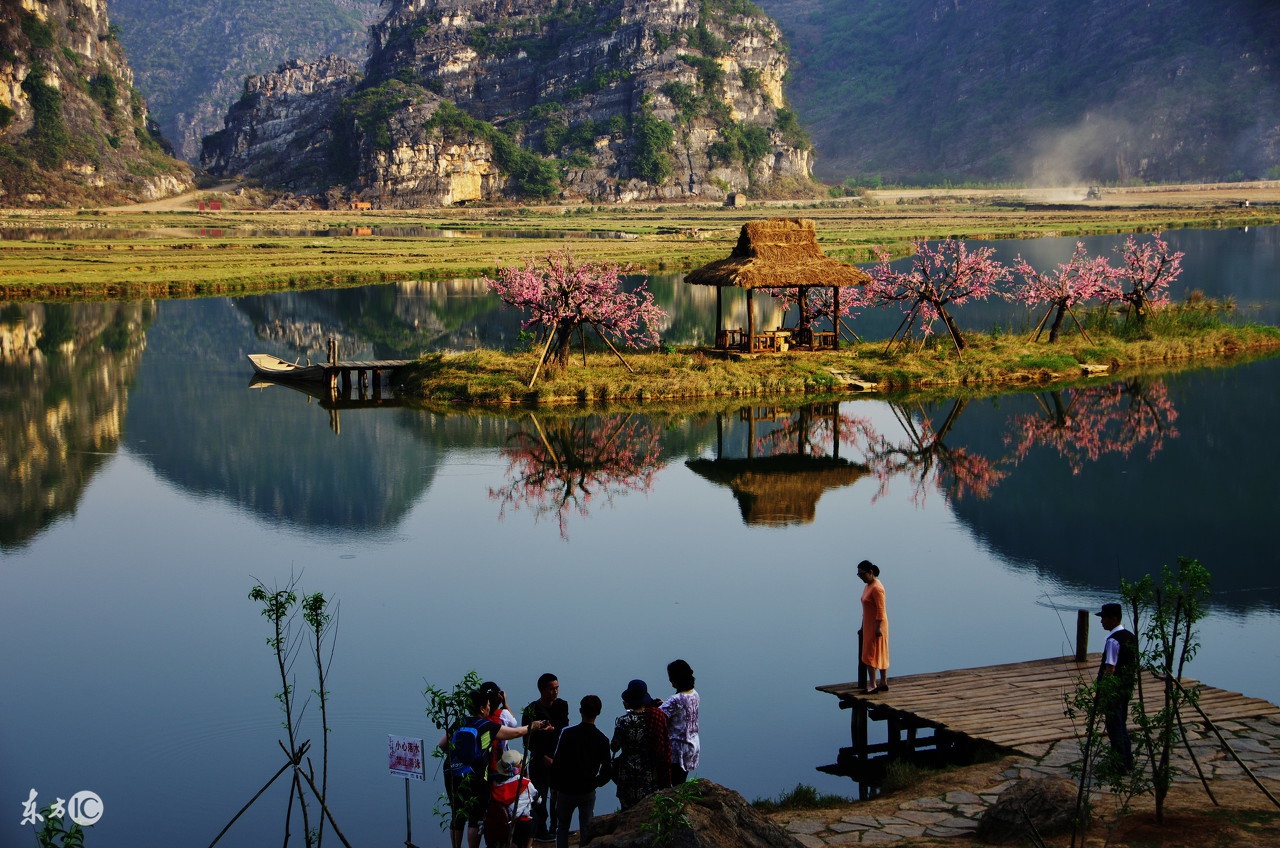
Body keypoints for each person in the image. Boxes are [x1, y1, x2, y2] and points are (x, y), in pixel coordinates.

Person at [442, 687, 551, 848]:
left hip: (452, 772)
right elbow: (514, 733)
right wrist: (533, 726)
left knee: (457, 815)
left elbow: (442, 745)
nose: (488, 708)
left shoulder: (460, 722)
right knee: (475, 816)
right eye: (487, 706)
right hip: (475, 775)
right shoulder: (486, 725)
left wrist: (458, 755)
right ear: (481, 709)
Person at [550, 695, 612, 848]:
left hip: (566, 789)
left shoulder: (567, 733)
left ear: (580, 710)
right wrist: (597, 782)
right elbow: (607, 768)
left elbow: (557, 762)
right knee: (586, 828)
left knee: (562, 826)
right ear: (598, 713)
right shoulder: (602, 739)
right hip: (587, 790)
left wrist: (555, 786)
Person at [522, 672, 570, 841]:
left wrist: (553, 729)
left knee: (559, 795)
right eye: (551, 689)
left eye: (556, 688)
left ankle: (557, 828)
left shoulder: (562, 705)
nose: (555, 692)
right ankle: (540, 831)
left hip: (557, 758)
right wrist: (542, 756)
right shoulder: (531, 710)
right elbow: (526, 739)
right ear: (542, 690)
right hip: (539, 760)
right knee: (539, 796)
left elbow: (564, 727)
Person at [610, 679, 671, 809]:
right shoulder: (653, 718)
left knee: (627, 810)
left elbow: (615, 746)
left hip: (627, 773)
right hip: (648, 772)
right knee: (647, 809)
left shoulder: (623, 721)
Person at [1096, 602, 1139, 773]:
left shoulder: (1113, 640)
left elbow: (1110, 669)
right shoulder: (1130, 636)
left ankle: (1118, 763)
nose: (1102, 622)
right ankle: (1127, 760)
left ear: (1113, 619)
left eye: (1104, 618)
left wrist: (1103, 692)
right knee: (1122, 724)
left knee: (1115, 726)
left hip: (1114, 690)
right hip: (1125, 688)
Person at [486, 749, 539, 848]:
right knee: (534, 815)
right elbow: (536, 797)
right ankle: (528, 846)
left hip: (501, 823)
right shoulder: (523, 782)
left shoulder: (495, 784)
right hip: (519, 824)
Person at [659, 660, 700, 784]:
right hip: (691, 745)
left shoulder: (675, 700)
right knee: (681, 781)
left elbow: (659, 716)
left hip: (677, 749)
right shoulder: (694, 694)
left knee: (673, 783)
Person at [857, 560, 889, 694]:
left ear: (870, 572)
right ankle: (881, 682)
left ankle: (874, 684)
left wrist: (878, 627)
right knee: (872, 651)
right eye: (859, 575)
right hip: (869, 623)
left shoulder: (877, 588)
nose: (861, 578)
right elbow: (866, 609)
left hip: (877, 624)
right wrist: (862, 626)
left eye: (863, 574)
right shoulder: (868, 585)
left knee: (872, 653)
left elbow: (881, 609)